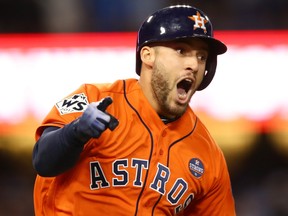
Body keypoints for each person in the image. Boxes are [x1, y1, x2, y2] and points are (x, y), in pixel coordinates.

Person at [32, 4, 236, 216]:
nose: (194, 64)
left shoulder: (208, 155)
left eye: (202, 57)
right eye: (181, 51)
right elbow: (43, 161)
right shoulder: (94, 98)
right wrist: (76, 132)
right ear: (147, 55)